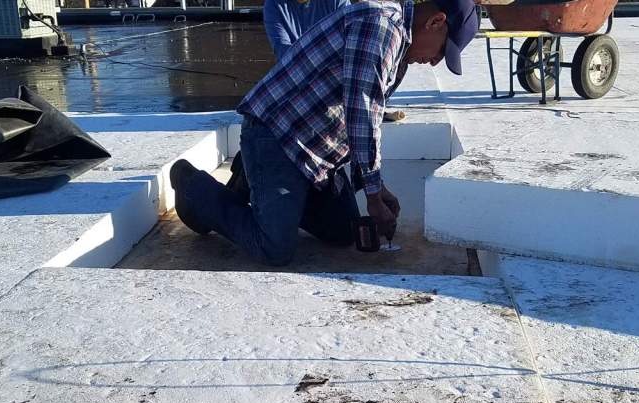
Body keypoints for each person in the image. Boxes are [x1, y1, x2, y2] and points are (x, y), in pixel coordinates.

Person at [171, 0, 479, 266]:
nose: (436, 60)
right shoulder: (381, 26)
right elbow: (362, 112)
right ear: (436, 22)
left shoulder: (397, 41)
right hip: (277, 136)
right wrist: (372, 193)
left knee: (343, 231)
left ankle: (254, 180)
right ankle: (192, 187)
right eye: (443, 49)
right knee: (274, 247)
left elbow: (357, 119)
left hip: (315, 153)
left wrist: (377, 186)